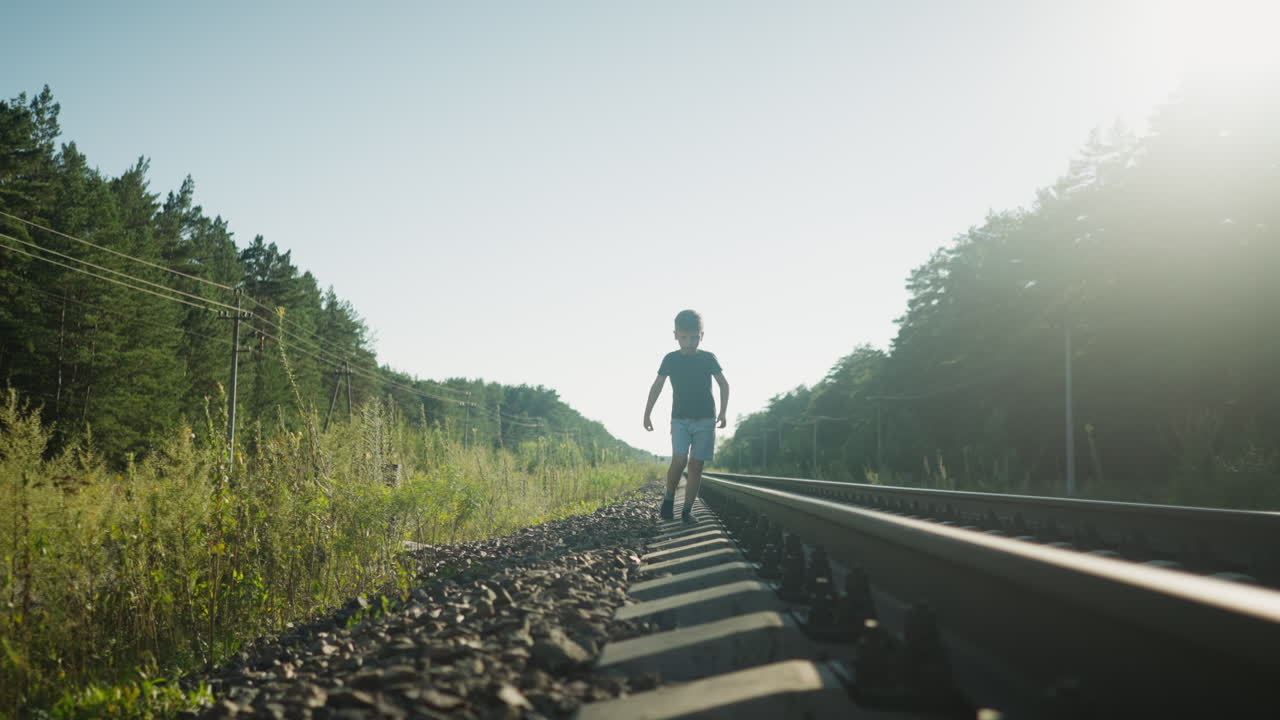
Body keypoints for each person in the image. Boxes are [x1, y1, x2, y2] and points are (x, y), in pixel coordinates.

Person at [643, 309, 730, 523]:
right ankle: (669, 498)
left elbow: (723, 384)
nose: (689, 342)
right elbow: (656, 387)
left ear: (702, 335)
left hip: (706, 420)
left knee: (696, 465)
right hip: (680, 419)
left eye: (694, 338)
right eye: (684, 337)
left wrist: (723, 412)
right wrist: (647, 414)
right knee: (679, 459)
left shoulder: (708, 358)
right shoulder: (670, 359)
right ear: (675, 335)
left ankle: (686, 510)